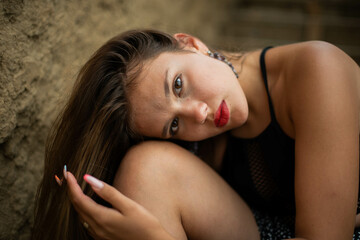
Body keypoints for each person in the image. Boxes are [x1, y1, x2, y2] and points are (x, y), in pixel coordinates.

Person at [31, 29, 360, 240]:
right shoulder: (197, 145)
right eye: (173, 125)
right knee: (146, 168)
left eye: (178, 85)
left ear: (190, 44)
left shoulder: (318, 69)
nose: (199, 115)